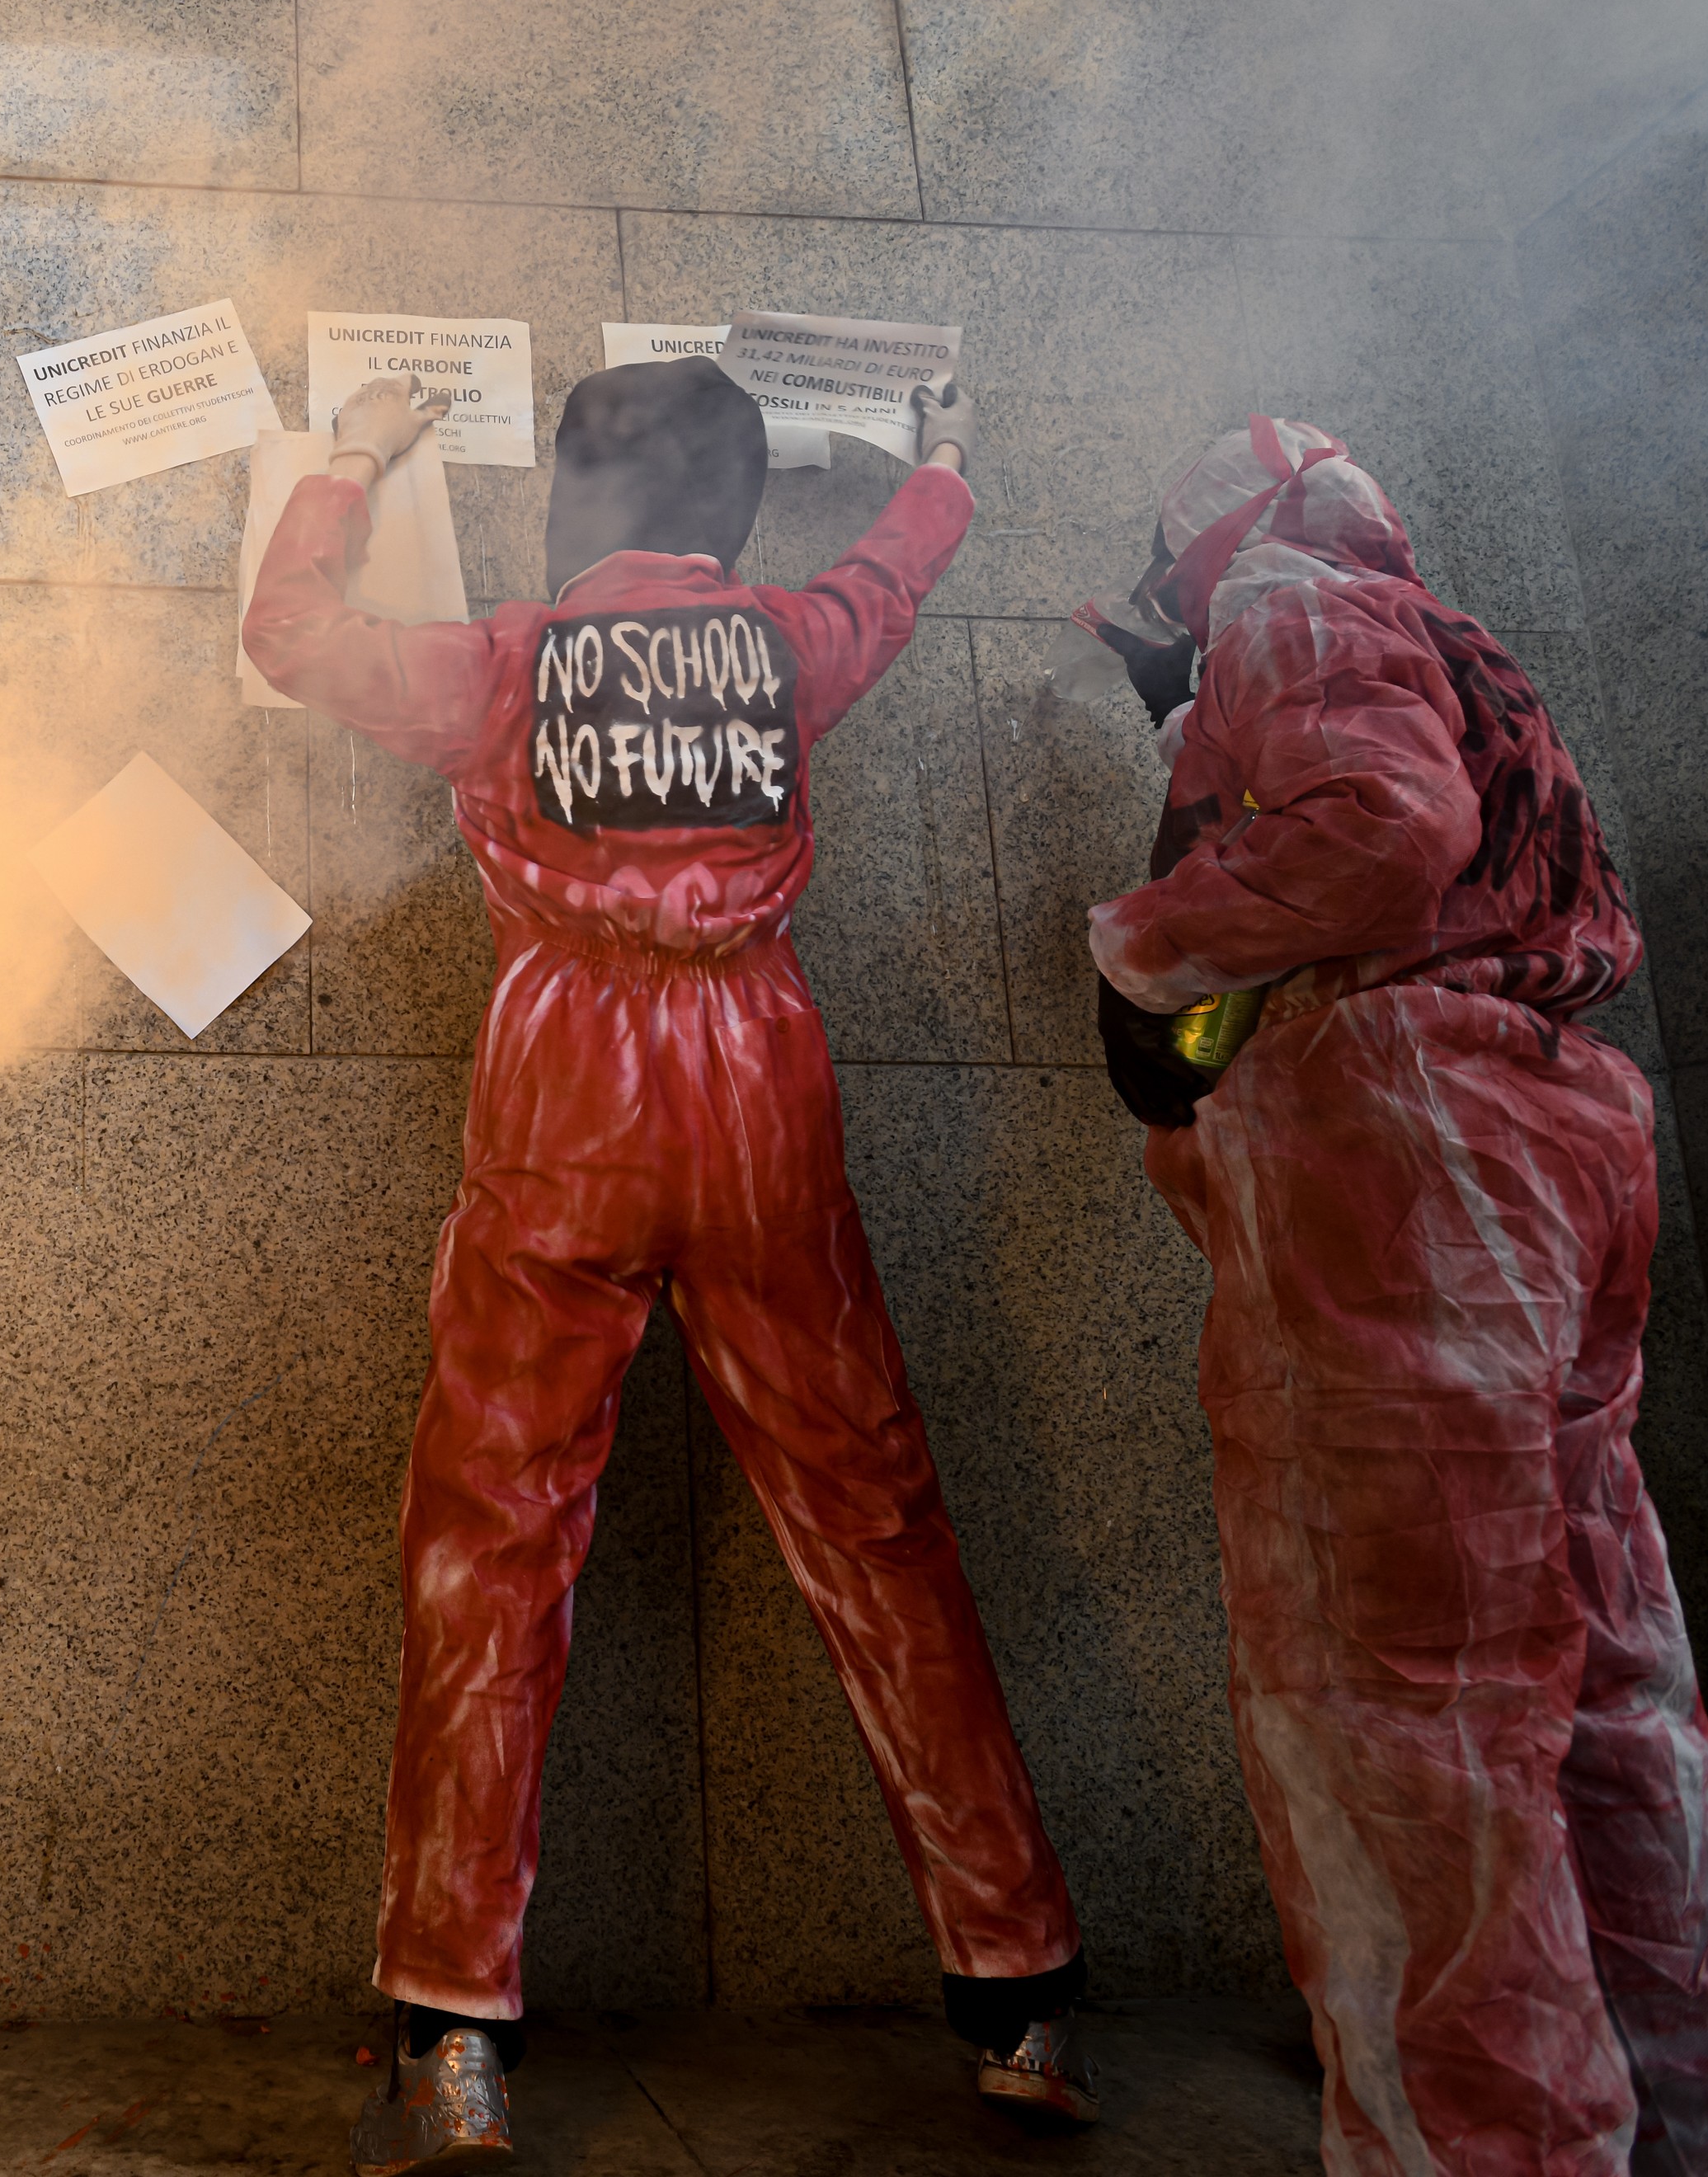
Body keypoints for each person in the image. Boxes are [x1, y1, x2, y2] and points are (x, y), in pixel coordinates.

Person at [247, 360, 1097, 2175]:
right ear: (727, 507)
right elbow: (903, 567)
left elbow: (292, 631)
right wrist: (947, 454)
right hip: (760, 1079)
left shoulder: (507, 661)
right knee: (873, 1520)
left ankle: (454, 2033)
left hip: (564, 1082)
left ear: (577, 506)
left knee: (495, 1535)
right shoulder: (792, 644)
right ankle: (1017, 1991)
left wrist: (358, 455)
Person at [1083, 418, 1708, 2175]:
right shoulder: (1457, 638)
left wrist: (1148, 938)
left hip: (1412, 1171)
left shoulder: (1279, 593)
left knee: (1404, 1726)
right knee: (1613, 1693)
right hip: (1561, 1136)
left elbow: (1384, 827)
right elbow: (1430, 816)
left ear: (1209, 540)